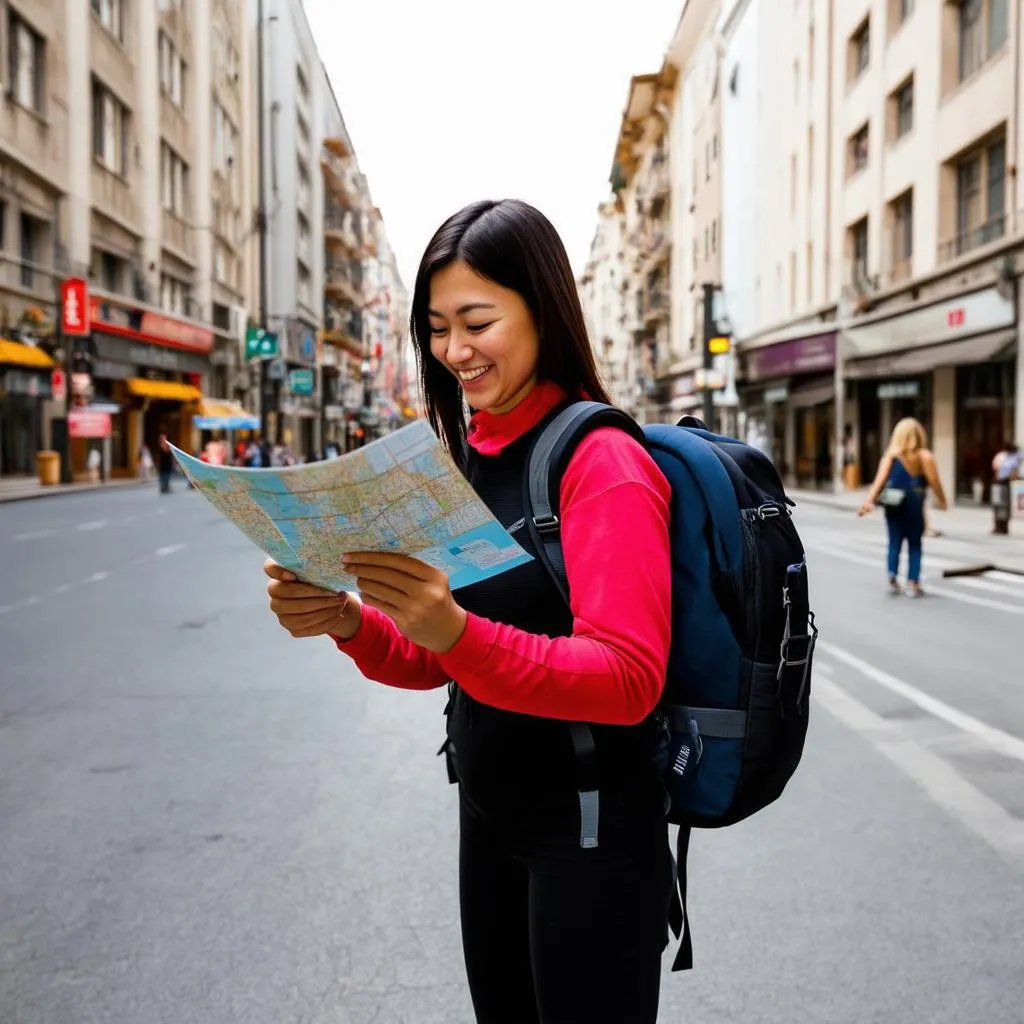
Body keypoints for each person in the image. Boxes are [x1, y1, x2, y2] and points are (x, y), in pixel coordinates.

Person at [264, 199, 675, 1022]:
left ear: (542, 308)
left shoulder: (604, 463)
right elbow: (438, 658)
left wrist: (453, 629)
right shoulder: (463, 458)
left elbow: (629, 678)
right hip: (490, 816)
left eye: (477, 322)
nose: (455, 351)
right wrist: (347, 620)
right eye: (436, 327)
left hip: (589, 836)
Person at [858, 417, 948, 597]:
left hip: (894, 504)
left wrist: (869, 502)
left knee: (894, 541)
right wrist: (942, 500)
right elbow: (934, 482)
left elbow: (879, 482)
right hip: (914, 504)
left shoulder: (890, 457)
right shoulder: (924, 456)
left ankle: (892, 577)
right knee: (915, 544)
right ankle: (913, 583)